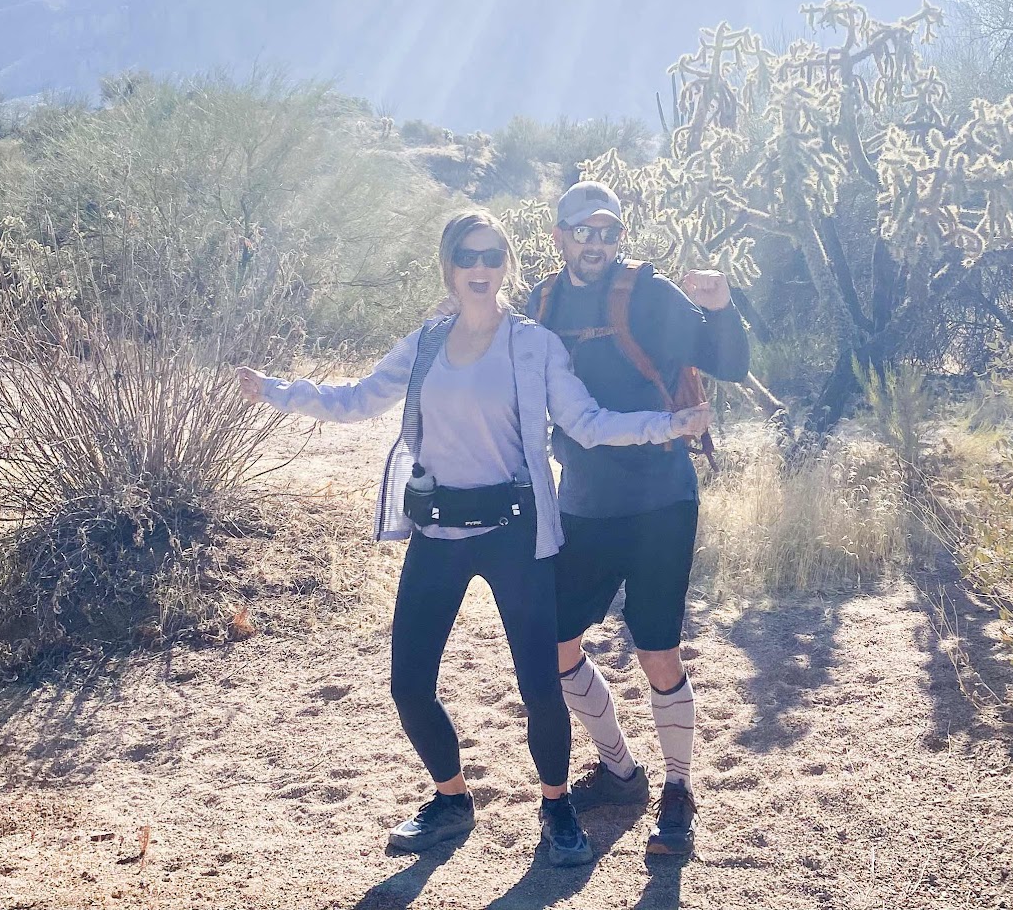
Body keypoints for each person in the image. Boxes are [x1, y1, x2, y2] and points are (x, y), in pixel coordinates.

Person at [237, 209, 710, 869]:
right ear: (449, 267)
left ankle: (557, 808)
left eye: (492, 256)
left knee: (540, 686)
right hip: (438, 530)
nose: (480, 268)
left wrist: (664, 426)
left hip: (515, 532)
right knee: (409, 685)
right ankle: (452, 798)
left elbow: (587, 421)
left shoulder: (533, 345)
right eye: (468, 256)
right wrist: (275, 391)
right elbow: (357, 399)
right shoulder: (426, 342)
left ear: (507, 264)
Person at [525, 181, 750, 859]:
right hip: (583, 501)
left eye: (608, 232)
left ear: (619, 238)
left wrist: (723, 306)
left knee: (657, 651)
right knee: (556, 647)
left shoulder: (649, 293)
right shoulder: (542, 303)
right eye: (582, 231)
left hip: (660, 499)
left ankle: (678, 791)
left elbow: (729, 362)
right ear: (559, 236)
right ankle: (622, 772)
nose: (596, 243)